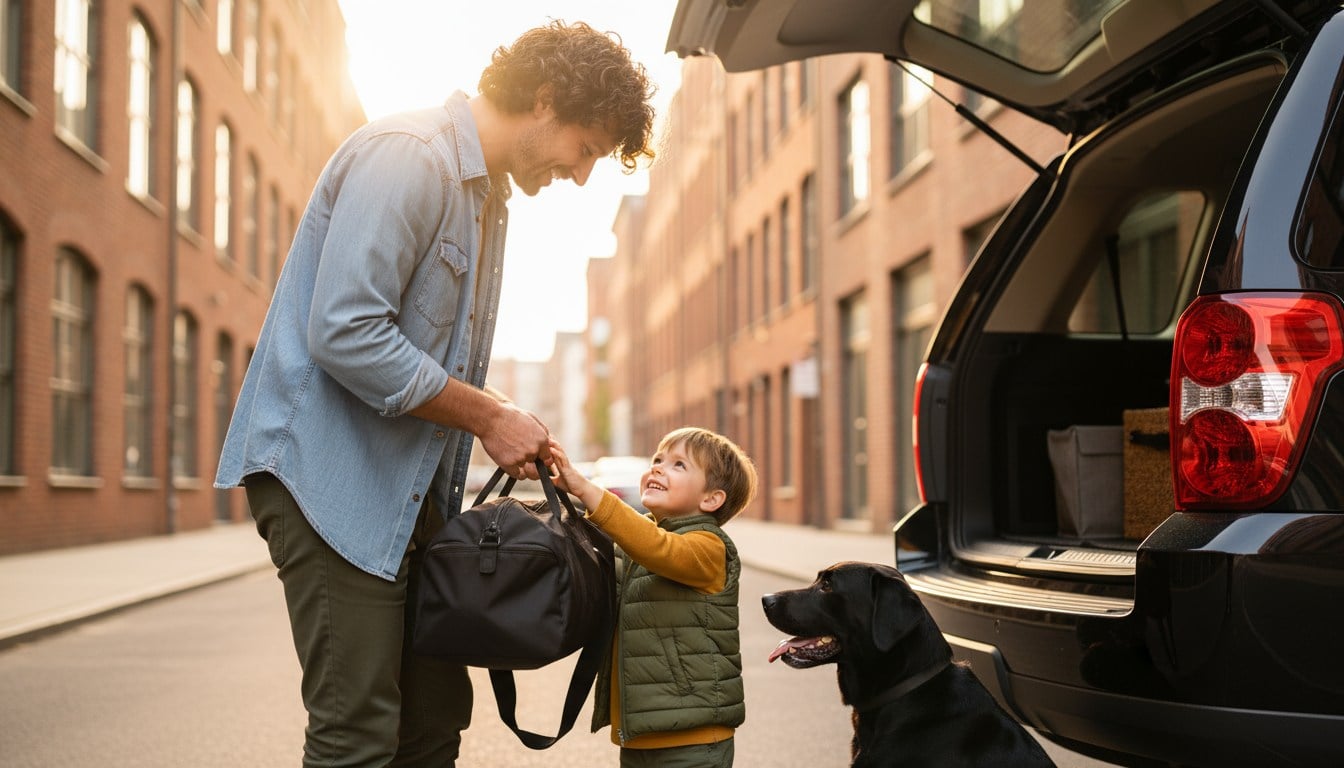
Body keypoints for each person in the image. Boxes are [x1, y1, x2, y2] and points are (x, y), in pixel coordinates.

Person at [213, 20, 656, 768]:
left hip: (405, 497)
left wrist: (500, 421)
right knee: (357, 729)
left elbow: (418, 357)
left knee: (435, 716)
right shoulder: (410, 158)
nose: (581, 175)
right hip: (330, 485)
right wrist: (489, 413)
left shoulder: (486, 199)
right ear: (545, 100)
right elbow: (347, 330)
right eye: (586, 147)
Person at [548, 427, 759, 768]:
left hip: (693, 740)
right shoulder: (635, 545)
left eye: (679, 465)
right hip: (641, 733)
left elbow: (657, 547)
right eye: (657, 459)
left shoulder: (709, 547)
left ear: (710, 499)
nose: (658, 468)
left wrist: (587, 489)